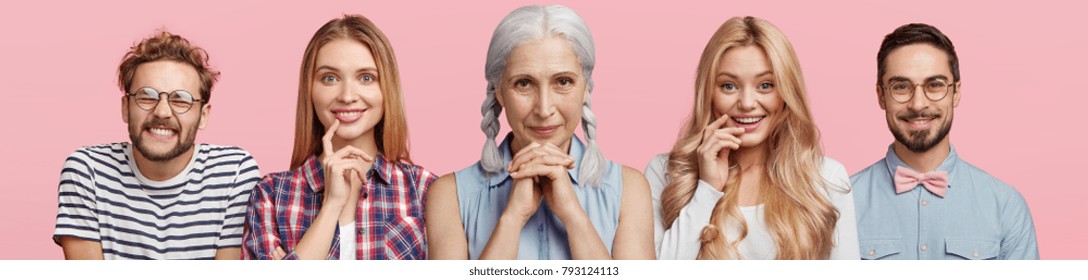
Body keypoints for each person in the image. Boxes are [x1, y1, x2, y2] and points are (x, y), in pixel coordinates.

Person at [425, 5, 654, 260]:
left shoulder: (630, 190)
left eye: (563, 82)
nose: (544, 109)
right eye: (524, 83)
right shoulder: (449, 196)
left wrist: (573, 215)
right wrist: (512, 218)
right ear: (499, 91)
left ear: (586, 87)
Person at [647, 16, 859, 260]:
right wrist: (706, 189)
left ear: (786, 92)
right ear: (709, 93)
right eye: (728, 86)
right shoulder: (666, 173)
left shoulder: (827, 178)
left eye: (766, 85)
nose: (747, 103)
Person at [242, 15, 436, 260]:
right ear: (310, 90)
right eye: (329, 78)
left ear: (387, 88)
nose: (347, 96)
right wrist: (331, 206)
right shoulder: (271, 195)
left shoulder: (425, 191)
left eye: (366, 78)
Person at [53, 31, 260, 259]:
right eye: (147, 97)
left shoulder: (234, 172)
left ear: (203, 116)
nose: (162, 111)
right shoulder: (88, 171)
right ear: (125, 107)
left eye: (181, 100)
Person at [851, 23, 1038, 260]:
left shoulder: (1005, 206)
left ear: (956, 92)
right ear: (881, 96)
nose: (918, 104)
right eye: (901, 87)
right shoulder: (840, 204)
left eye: (935, 85)